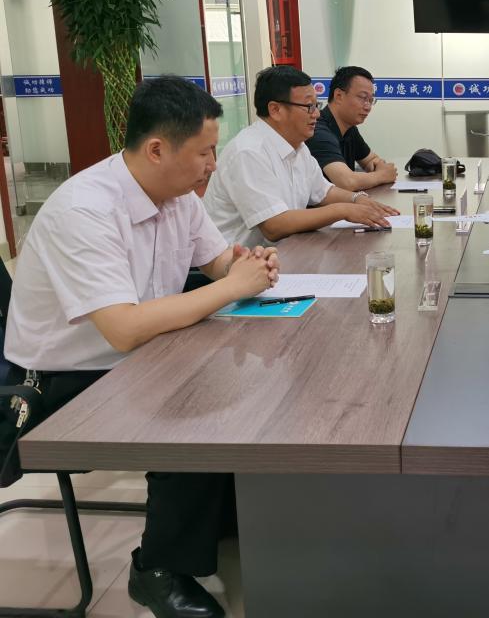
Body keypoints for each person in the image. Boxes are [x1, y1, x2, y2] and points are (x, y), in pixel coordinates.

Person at [3, 76, 281, 618]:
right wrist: (233, 287)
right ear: (157, 150)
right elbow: (124, 329)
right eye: (204, 152)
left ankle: (216, 516)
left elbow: (215, 261)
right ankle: (157, 568)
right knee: (192, 410)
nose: (213, 164)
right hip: (61, 382)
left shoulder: (176, 196)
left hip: (139, 355)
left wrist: (246, 263)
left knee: (243, 379)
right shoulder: (84, 210)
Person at [203, 65, 398, 248]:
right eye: (308, 107)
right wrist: (343, 210)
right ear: (275, 110)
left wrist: (356, 199)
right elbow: (274, 226)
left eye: (316, 105)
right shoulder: (249, 152)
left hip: (281, 253)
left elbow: (323, 192)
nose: (317, 114)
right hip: (236, 263)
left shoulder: (298, 146)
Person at [305, 65, 398, 190]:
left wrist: (378, 167)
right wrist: (382, 175)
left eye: (371, 100)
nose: (368, 107)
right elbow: (346, 181)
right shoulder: (318, 131)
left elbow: (370, 160)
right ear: (338, 95)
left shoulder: (349, 128)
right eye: (363, 98)